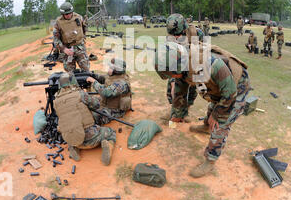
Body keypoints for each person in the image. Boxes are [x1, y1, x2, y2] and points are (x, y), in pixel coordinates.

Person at [154, 42, 251, 178]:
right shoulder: (182, 68)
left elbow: (229, 93)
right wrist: (176, 115)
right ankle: (206, 127)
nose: (171, 77)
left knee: (221, 123)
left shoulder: (209, 64)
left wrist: (217, 115)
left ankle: (210, 160)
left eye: (170, 74)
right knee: (213, 105)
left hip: (237, 85)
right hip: (221, 84)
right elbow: (180, 94)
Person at [54, 73, 116, 165]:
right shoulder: (80, 94)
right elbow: (96, 105)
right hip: (92, 139)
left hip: (73, 139)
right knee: (110, 132)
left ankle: (73, 147)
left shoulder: (56, 102)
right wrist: (86, 94)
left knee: (72, 128)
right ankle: (108, 146)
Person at [164, 13, 203, 123]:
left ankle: (186, 110)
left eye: (178, 34)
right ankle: (176, 111)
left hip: (193, 65)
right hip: (178, 66)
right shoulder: (170, 38)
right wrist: (173, 79)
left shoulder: (197, 33)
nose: (175, 37)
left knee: (192, 90)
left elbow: (203, 55)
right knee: (172, 91)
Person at [84, 58, 132, 125]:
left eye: (111, 68)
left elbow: (106, 92)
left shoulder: (121, 83)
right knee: (87, 101)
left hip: (115, 110)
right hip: (106, 103)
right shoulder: (113, 76)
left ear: (116, 70)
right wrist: (92, 75)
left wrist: (93, 81)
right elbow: (102, 78)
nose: (108, 69)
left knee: (91, 118)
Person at [53, 2, 90, 73]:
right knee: (70, 72)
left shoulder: (79, 17)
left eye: (70, 13)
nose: (68, 15)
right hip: (68, 49)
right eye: (66, 14)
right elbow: (56, 39)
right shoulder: (58, 22)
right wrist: (64, 49)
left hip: (80, 48)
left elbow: (84, 28)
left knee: (86, 69)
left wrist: (82, 38)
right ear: (62, 14)